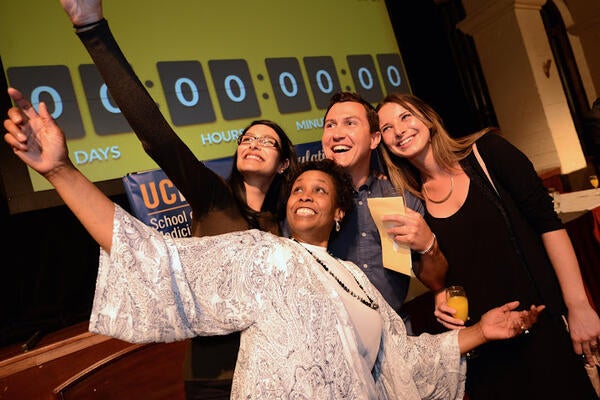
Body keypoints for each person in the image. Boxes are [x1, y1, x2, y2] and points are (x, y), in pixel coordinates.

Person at [3, 88, 544, 399]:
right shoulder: (262, 257)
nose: (305, 195)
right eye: (299, 189)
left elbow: (402, 358)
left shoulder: (358, 280)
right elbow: (152, 258)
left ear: (337, 217)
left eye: (320, 192)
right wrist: (63, 173)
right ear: (286, 208)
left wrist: (480, 330)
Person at [58, 1, 299, 398]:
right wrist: (93, 31)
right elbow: (156, 134)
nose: (253, 144)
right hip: (215, 380)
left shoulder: (286, 222)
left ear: (283, 162)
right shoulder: (213, 198)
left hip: (275, 374)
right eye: (247, 138)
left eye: (266, 141)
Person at [376, 92, 600, 399]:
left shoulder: (487, 154)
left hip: (542, 327)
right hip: (486, 349)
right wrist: (441, 293)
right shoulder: (410, 201)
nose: (399, 130)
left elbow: (548, 225)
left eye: (405, 117)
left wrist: (578, 306)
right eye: (387, 127)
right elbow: (435, 277)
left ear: (428, 119)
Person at [320, 92, 447, 317]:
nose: (337, 134)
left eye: (350, 123)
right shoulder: (308, 201)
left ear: (374, 139)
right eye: (330, 125)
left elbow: (435, 281)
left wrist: (429, 245)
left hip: (393, 339)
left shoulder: (400, 198)